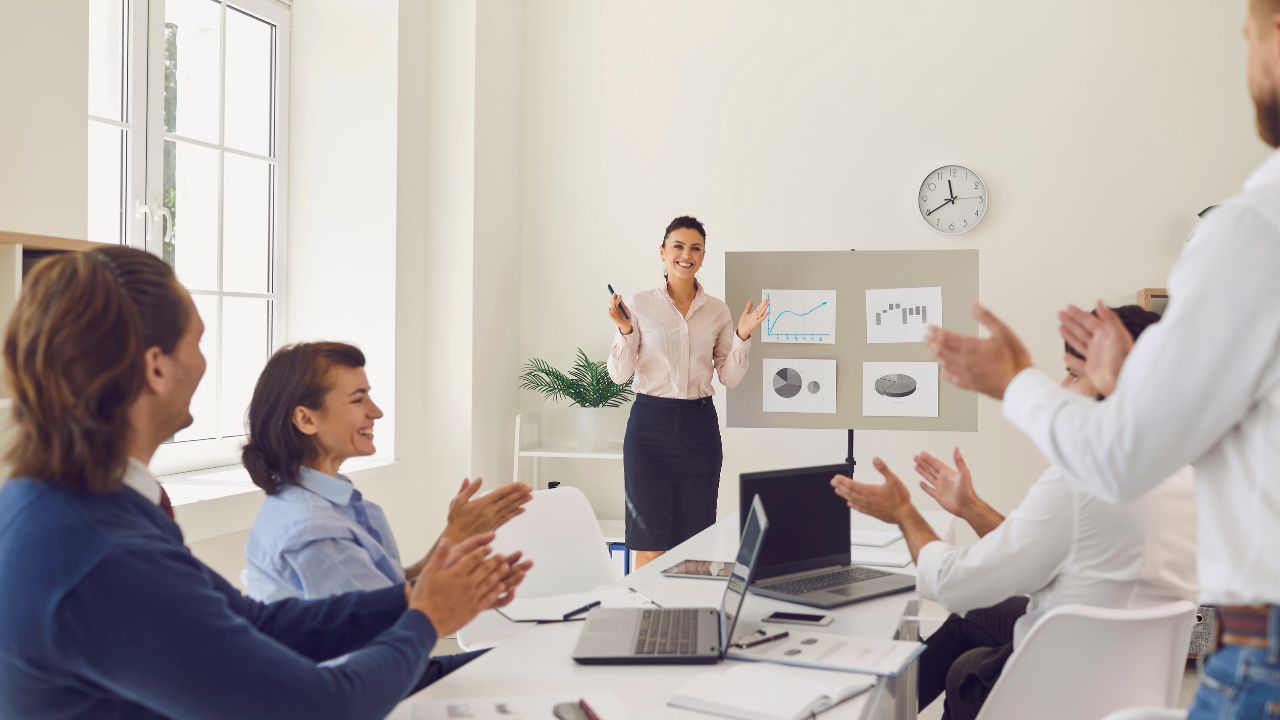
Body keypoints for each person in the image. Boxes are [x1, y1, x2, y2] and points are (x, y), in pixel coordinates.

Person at [925, 5, 1280, 714]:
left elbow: (1117, 463)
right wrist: (1131, 386)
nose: (1248, 61)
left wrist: (1014, 382)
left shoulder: (1255, 230)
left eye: (1250, 37)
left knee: (965, 643)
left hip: (1259, 647)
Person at [0, 247, 531, 719]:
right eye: (199, 341)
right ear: (156, 368)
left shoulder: (71, 501)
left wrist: (413, 598)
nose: (205, 362)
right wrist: (427, 615)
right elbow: (319, 704)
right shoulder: (102, 552)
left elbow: (253, 621)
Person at [833, 306, 1197, 720]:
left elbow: (951, 583)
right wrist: (970, 508)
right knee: (972, 618)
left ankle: (875, 710)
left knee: (966, 668)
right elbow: (1043, 551)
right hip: (1125, 679)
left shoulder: (1081, 483)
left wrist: (903, 512)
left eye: (1074, 375)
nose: (1061, 386)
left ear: (1113, 381)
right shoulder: (1185, 472)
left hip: (1055, 690)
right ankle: (885, 710)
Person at [243, 341, 533, 602]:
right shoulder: (313, 531)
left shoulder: (328, 502)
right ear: (306, 419)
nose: (376, 411)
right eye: (358, 400)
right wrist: (466, 585)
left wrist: (455, 537)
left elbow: (389, 591)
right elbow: (382, 624)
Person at [606, 216, 769, 569]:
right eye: (677, 246)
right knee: (649, 543)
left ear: (704, 255)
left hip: (699, 428)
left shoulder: (717, 310)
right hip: (649, 428)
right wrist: (624, 330)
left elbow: (729, 377)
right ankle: (650, 618)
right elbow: (619, 374)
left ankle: (688, 620)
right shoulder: (640, 304)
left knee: (695, 544)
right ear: (663, 253)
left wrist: (741, 336)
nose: (686, 255)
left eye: (695, 248)